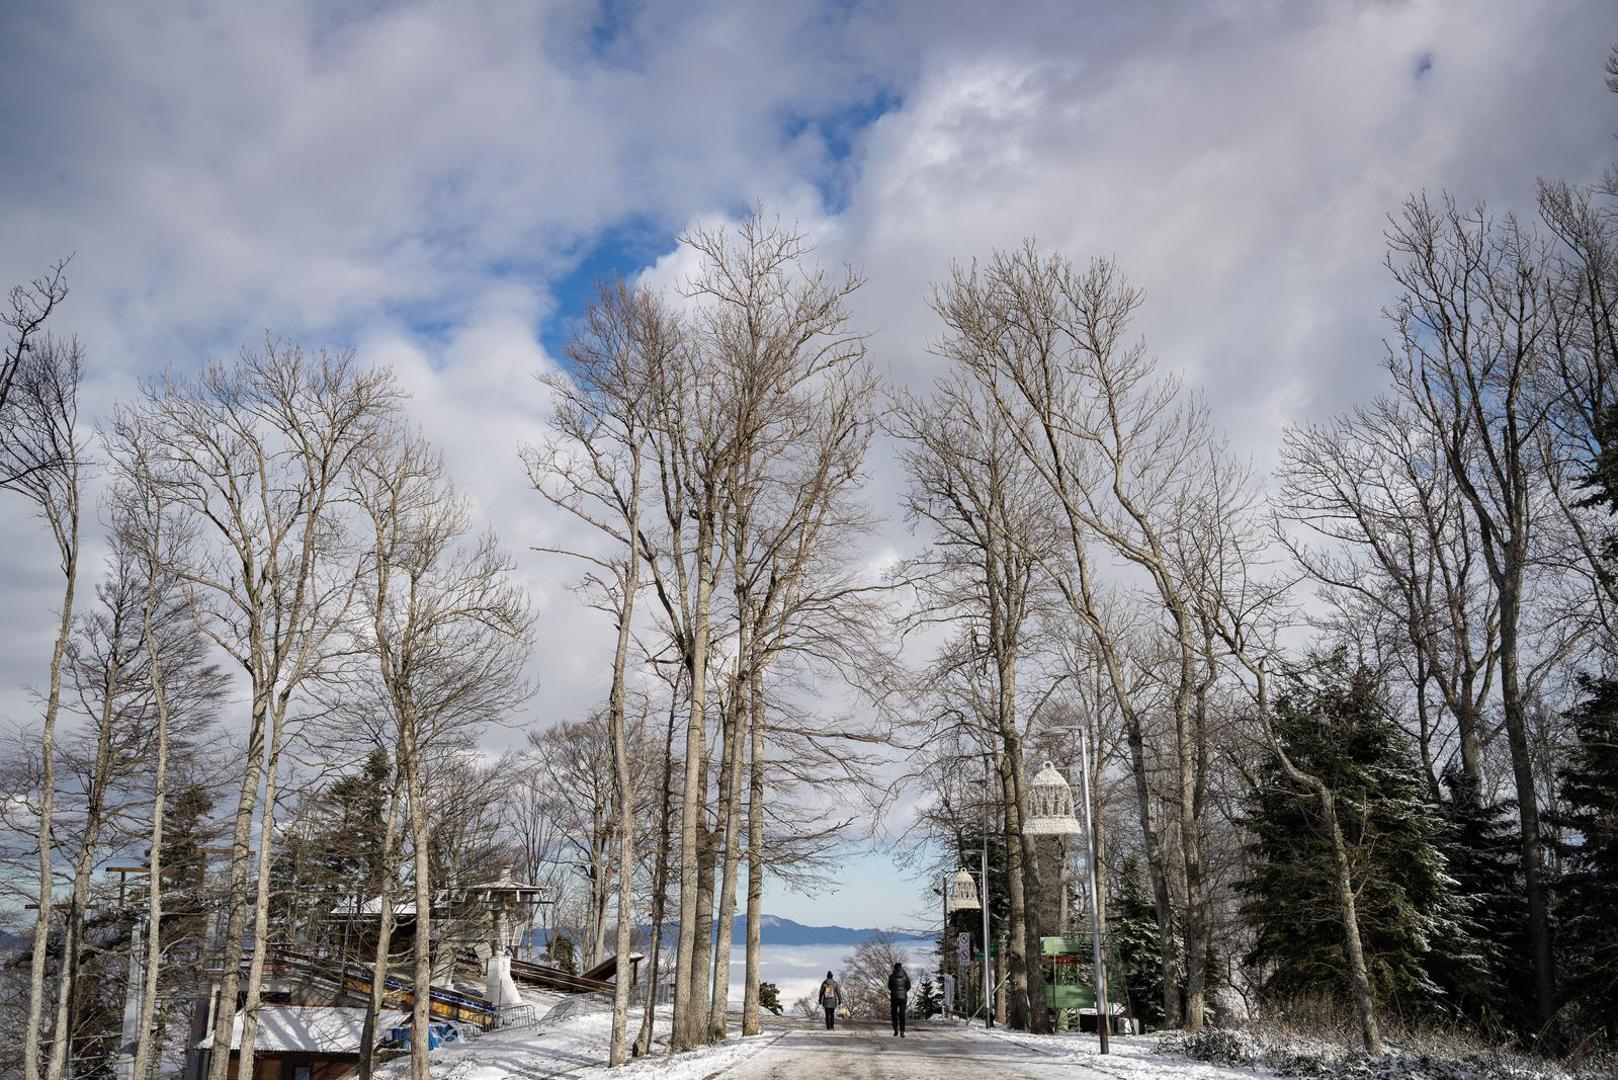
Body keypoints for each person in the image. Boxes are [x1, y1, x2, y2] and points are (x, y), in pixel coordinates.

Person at [888, 961, 911, 1037]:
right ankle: (902, 1031)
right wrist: (904, 991)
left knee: (894, 1013)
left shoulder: (892, 976)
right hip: (903, 997)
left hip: (894, 997)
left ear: (895, 968)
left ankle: (895, 1029)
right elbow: (908, 986)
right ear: (901, 968)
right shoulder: (905, 976)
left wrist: (894, 991)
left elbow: (889, 986)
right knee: (902, 1014)